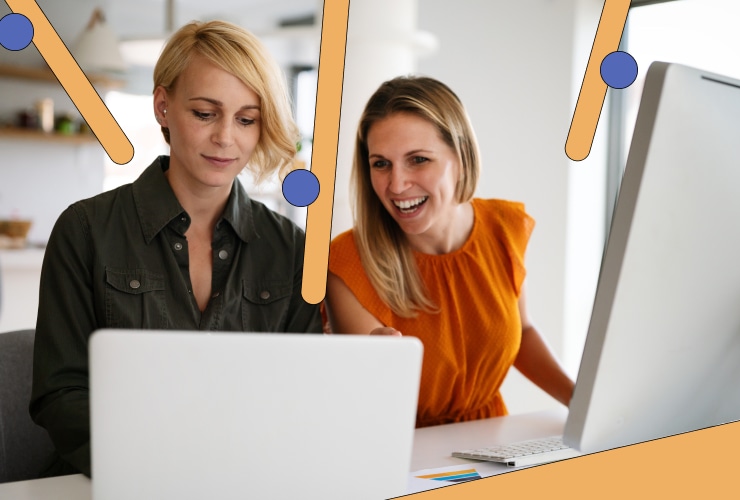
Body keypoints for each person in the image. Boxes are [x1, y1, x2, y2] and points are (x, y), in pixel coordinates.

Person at [30, 20, 322, 478]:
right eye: (205, 113)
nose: (226, 137)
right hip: (111, 481)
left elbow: (303, 393)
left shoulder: (291, 250)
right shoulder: (84, 230)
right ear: (163, 107)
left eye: (246, 119)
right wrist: (154, 470)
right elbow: (61, 393)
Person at [325, 76, 574, 428]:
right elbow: (369, 400)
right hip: (400, 451)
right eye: (381, 163)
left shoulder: (503, 227)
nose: (397, 185)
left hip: (490, 440)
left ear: (459, 158)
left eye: (418, 160)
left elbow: (523, 332)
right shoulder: (347, 262)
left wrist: (579, 401)